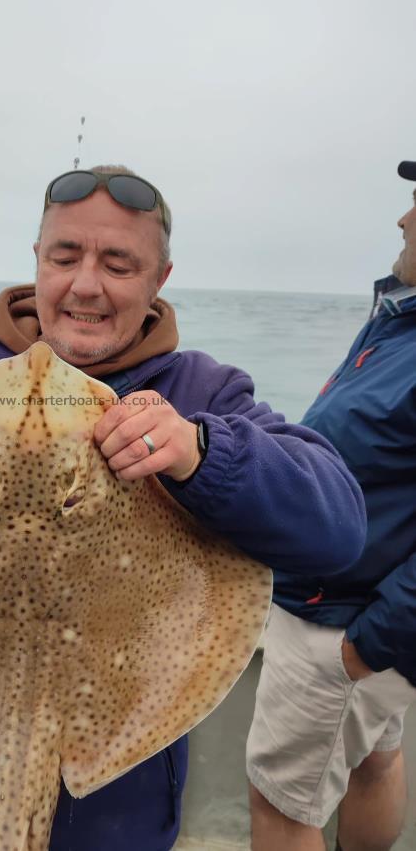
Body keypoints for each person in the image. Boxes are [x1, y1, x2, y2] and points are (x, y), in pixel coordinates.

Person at [0, 165, 367, 851]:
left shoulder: (202, 392)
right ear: (37, 260)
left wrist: (200, 452)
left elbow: (337, 530)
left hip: (120, 803)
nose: (85, 284)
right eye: (65, 256)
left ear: (159, 280)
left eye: (118, 264)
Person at [247, 161, 416, 851]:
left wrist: (368, 646)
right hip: (349, 611)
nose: (403, 220)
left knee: (280, 804)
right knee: (377, 760)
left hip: (343, 622)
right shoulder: (397, 322)